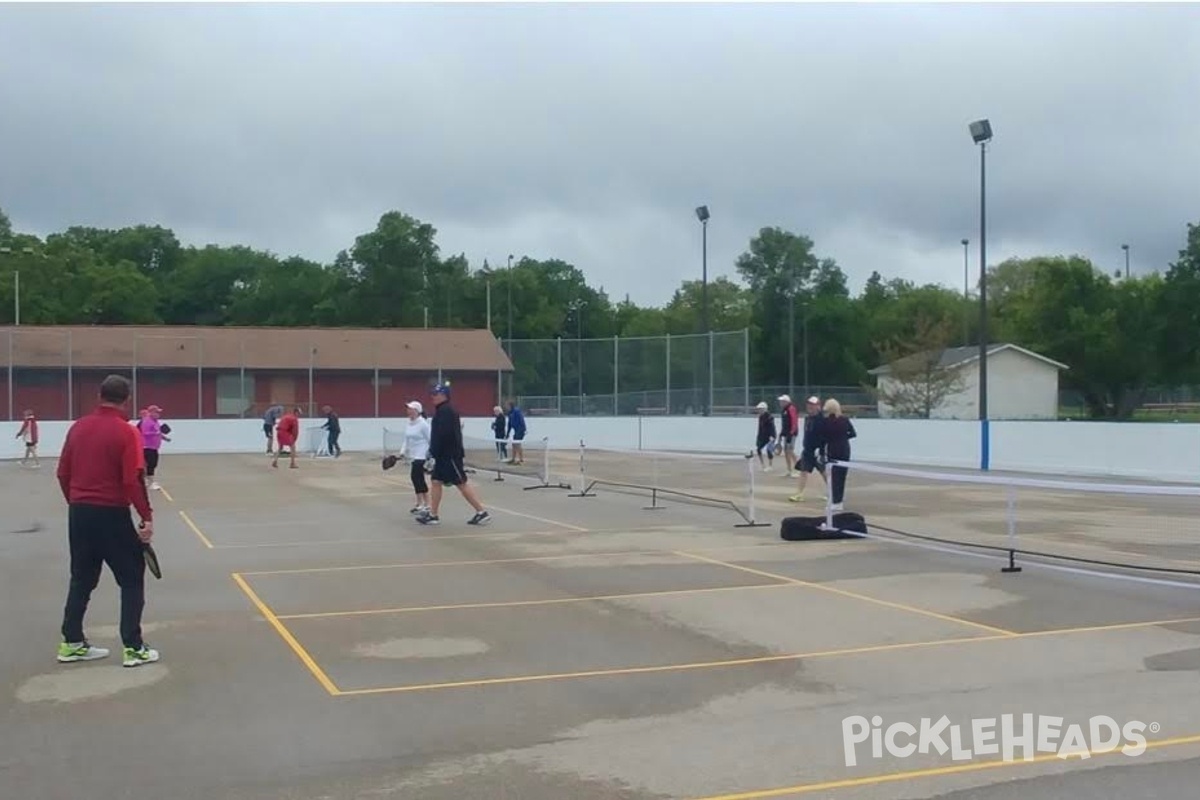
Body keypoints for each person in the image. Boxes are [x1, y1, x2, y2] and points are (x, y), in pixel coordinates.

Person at [55, 374, 159, 668]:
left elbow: (63, 473)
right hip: (111, 513)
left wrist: (77, 502)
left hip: (79, 513)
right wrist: (146, 516)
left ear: (99, 395)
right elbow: (132, 480)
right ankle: (134, 647)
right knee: (131, 577)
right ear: (127, 399)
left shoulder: (78, 427)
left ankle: (71, 642)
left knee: (82, 578)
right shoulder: (126, 432)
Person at [417, 382, 491, 526]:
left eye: (436, 394)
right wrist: (433, 453)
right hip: (442, 456)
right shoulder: (441, 411)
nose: (433, 396)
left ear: (444, 395)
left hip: (450, 456)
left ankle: (481, 512)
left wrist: (433, 452)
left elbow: (445, 435)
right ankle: (433, 515)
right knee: (436, 481)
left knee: (461, 483)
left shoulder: (447, 411)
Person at [789, 395, 828, 503]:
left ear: (818, 406)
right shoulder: (808, 419)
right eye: (809, 404)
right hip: (807, 450)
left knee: (824, 472)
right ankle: (799, 493)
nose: (810, 406)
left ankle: (834, 493)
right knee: (803, 471)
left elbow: (824, 436)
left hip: (818, 452)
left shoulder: (822, 420)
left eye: (813, 405)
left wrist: (820, 450)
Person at [821, 398, 857, 512]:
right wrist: (843, 437)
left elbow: (824, 437)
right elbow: (853, 433)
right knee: (841, 476)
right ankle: (838, 500)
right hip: (845, 449)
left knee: (834, 476)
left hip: (833, 450)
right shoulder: (844, 420)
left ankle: (836, 501)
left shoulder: (826, 422)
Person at [400, 400, 432, 515]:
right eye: (408, 409)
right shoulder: (409, 423)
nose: (408, 411)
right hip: (413, 455)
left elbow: (430, 440)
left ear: (417, 411)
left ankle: (427, 504)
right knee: (415, 478)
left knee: (418, 478)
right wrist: (402, 452)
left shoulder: (423, 424)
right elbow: (406, 439)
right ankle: (419, 503)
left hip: (422, 455)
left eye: (411, 409)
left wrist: (431, 456)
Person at [136, 405, 170, 492]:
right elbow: (145, 432)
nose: (159, 414)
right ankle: (150, 483)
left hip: (154, 447)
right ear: (151, 413)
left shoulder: (156, 422)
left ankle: (146, 481)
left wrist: (165, 438)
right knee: (150, 465)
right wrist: (157, 432)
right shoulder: (147, 422)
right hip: (147, 447)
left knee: (152, 464)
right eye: (157, 412)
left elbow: (157, 432)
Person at [778, 394, 800, 477]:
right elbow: (784, 423)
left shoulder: (791, 408)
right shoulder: (784, 410)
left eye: (782, 401)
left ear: (786, 402)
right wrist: (781, 433)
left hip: (792, 433)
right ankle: (789, 470)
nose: (780, 402)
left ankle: (798, 469)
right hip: (786, 433)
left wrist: (791, 433)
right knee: (786, 451)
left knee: (790, 450)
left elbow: (794, 421)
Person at [753, 401, 777, 472]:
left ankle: (770, 465)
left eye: (760, 409)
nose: (759, 410)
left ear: (764, 409)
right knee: (758, 449)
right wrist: (758, 437)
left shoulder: (770, 417)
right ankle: (763, 465)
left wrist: (772, 436)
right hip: (763, 436)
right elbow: (760, 428)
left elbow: (772, 427)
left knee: (769, 450)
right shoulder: (760, 417)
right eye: (758, 409)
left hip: (770, 436)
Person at [506, 400, 526, 465]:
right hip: (516, 430)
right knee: (514, 444)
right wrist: (507, 433)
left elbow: (521, 420)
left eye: (507, 405)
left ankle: (521, 459)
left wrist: (523, 430)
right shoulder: (510, 413)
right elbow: (509, 424)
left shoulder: (516, 411)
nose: (506, 407)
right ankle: (513, 458)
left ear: (510, 406)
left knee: (517, 444)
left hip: (520, 429)